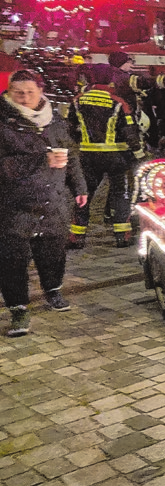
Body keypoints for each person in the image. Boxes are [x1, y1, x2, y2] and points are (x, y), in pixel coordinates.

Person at [1, 70, 87, 336]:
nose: (25, 97)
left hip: (54, 199)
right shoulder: (4, 122)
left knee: (53, 250)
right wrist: (40, 160)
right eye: (18, 92)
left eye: (30, 92)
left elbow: (70, 154)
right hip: (14, 203)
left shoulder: (55, 119)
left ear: (40, 91)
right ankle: (18, 309)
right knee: (13, 259)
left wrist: (79, 186)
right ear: (9, 92)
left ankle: (53, 290)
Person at [67, 64, 146, 249]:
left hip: (87, 155)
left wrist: (80, 142)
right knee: (120, 193)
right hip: (116, 157)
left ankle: (76, 237)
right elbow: (130, 133)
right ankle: (122, 236)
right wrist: (140, 156)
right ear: (111, 79)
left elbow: (70, 127)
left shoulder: (78, 100)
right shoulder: (118, 102)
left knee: (84, 194)